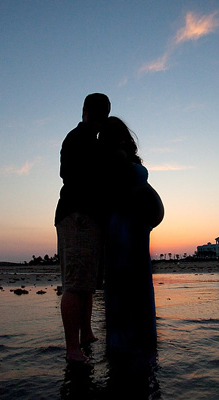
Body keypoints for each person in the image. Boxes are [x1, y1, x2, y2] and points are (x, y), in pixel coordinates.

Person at [99, 116, 163, 357]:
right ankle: (134, 343)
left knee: (126, 282)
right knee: (130, 282)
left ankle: (126, 343)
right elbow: (124, 192)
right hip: (126, 226)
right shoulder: (117, 158)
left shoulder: (117, 157)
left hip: (130, 226)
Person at [54, 93, 111, 363]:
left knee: (87, 284)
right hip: (76, 215)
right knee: (76, 284)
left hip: (86, 217)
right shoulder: (78, 138)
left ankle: (86, 334)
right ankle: (71, 348)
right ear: (86, 112)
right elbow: (70, 175)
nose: (101, 118)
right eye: (99, 113)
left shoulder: (90, 139)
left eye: (105, 113)